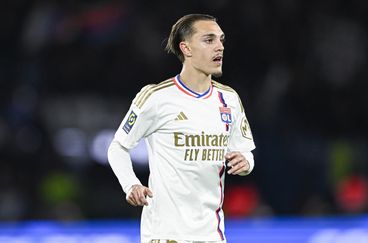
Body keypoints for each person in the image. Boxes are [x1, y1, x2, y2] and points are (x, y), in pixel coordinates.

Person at [107, 13, 256, 243]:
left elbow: (245, 152)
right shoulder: (156, 97)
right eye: (209, 40)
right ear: (186, 48)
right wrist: (131, 184)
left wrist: (246, 162)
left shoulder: (229, 99)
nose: (220, 47)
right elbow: (117, 147)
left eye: (221, 40)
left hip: (213, 235)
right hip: (166, 235)